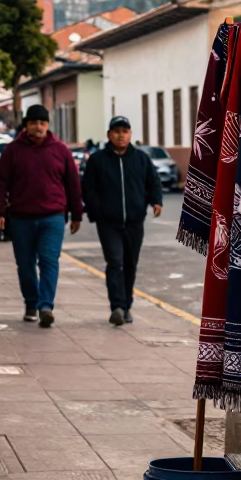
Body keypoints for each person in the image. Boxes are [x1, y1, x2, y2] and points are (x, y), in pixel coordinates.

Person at [0, 104, 83, 328]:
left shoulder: (60, 150)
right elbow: (1, 183)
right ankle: (31, 303)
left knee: (49, 261)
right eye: (33, 123)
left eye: (42, 123)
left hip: (53, 217)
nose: (38, 127)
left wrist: (77, 214)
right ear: (26, 125)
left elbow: (73, 184)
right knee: (25, 263)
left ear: (47, 125)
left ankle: (46, 306)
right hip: (21, 218)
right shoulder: (13, 151)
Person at [81, 116, 163, 327]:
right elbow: (89, 189)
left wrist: (156, 201)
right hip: (108, 223)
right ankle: (117, 306)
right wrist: (96, 212)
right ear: (109, 135)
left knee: (130, 264)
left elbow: (153, 182)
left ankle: (126, 306)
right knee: (115, 262)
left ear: (130, 134)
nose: (120, 135)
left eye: (125, 131)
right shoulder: (98, 160)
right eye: (116, 131)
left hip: (135, 222)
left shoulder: (141, 159)